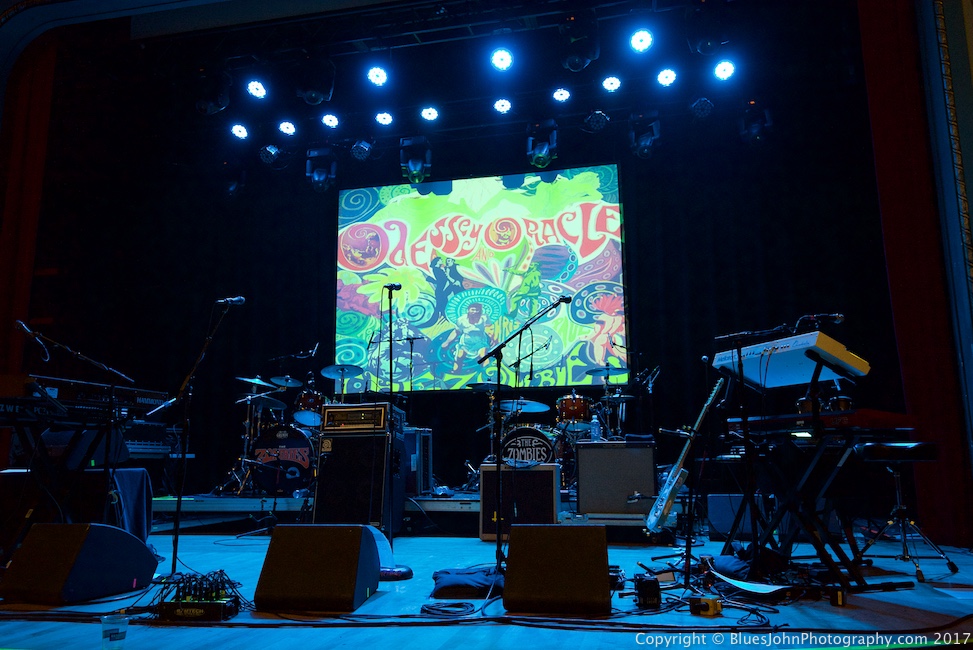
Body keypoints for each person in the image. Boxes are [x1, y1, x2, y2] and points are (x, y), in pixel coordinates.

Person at [442, 302, 492, 372]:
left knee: (483, 356)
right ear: (468, 310)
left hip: (480, 342)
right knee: (459, 357)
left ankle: (487, 373)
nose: (475, 312)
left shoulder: (484, 317)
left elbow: (489, 329)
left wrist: (494, 339)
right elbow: (456, 332)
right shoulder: (461, 320)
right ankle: (455, 374)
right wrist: (447, 342)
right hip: (466, 343)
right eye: (473, 309)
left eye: (477, 310)